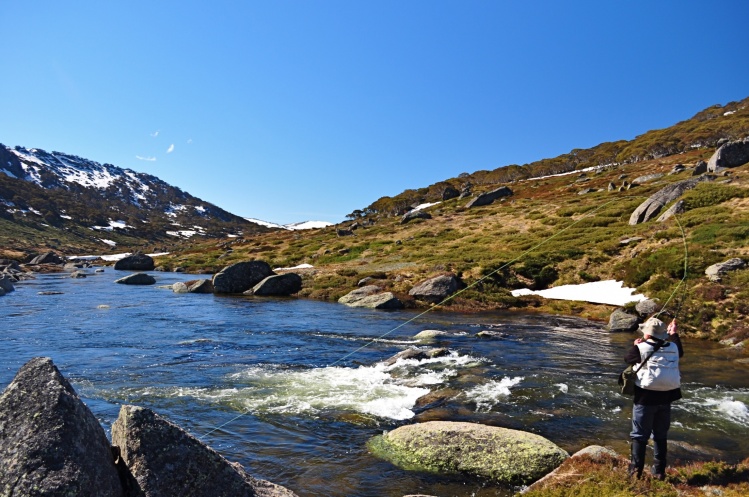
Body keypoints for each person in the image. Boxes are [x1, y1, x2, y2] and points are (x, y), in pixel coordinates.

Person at [624, 316, 683, 480]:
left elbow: (628, 359)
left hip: (645, 398)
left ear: (647, 333)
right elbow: (680, 351)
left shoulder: (640, 347)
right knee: (660, 435)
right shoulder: (674, 347)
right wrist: (674, 334)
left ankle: (635, 474)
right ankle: (659, 472)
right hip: (666, 398)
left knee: (639, 436)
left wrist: (636, 345)